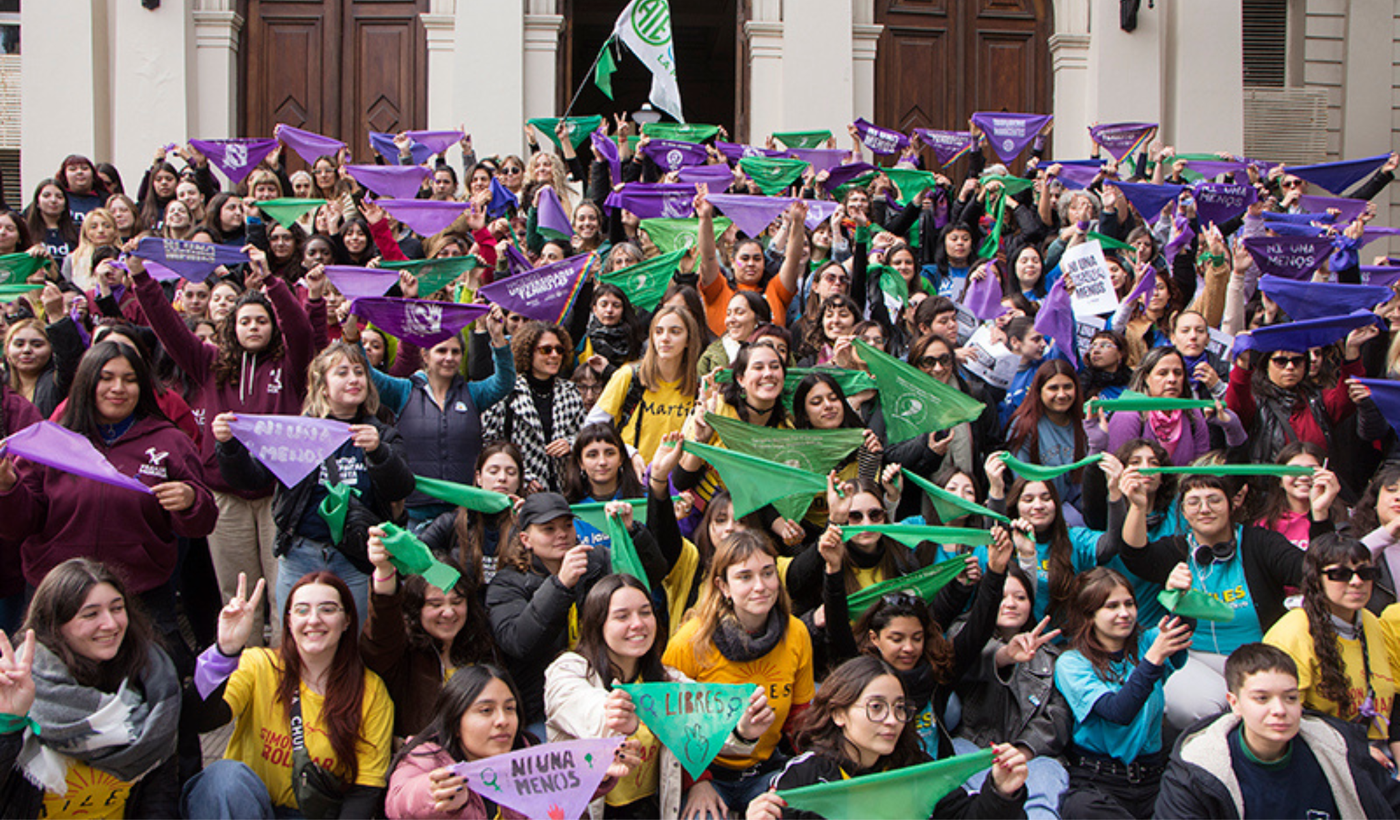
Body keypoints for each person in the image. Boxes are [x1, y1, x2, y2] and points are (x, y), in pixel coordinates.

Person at [132, 248, 321, 646]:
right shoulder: (211, 365)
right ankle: (243, 679)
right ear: (231, 327)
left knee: (282, 594)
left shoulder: (291, 366)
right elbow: (171, 330)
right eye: (245, 321)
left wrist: (272, 282)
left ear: (273, 326)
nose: (253, 327)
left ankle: (282, 677)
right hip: (225, 497)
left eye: (261, 321)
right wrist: (143, 281)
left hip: (278, 495)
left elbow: (302, 331)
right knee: (237, 597)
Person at [0, 342, 216, 632]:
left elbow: (202, 524)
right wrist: (7, 487)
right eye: (106, 378)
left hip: (141, 592)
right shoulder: (51, 441)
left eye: (130, 380)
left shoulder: (169, 441)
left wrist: (191, 500)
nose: (118, 388)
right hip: (57, 590)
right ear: (86, 381)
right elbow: (19, 524)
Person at [214, 341, 415, 620]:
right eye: (342, 372)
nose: (353, 379)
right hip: (300, 554)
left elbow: (402, 487)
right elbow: (251, 479)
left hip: (354, 558)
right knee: (297, 639)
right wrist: (228, 446)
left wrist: (379, 452)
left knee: (348, 641)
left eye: (359, 372)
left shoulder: (382, 433)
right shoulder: (297, 433)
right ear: (322, 387)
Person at [545, 575, 773, 819]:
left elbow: (708, 720)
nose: (638, 624)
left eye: (645, 612)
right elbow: (580, 705)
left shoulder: (667, 680)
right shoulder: (569, 669)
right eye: (622, 616)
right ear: (597, 624)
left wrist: (744, 728)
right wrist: (611, 714)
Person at [182, 571, 394, 819]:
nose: (314, 620)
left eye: (327, 609)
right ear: (289, 621)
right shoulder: (258, 664)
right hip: (244, 806)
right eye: (302, 610)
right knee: (223, 777)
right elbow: (199, 720)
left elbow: (365, 790)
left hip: (312, 813)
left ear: (347, 619)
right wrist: (225, 651)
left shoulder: (370, 691)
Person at [1117, 471, 1306, 730]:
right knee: (1194, 706)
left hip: (1258, 657)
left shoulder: (1260, 543)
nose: (1204, 509)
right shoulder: (1177, 549)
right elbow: (1135, 556)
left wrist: (1320, 516)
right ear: (1183, 512)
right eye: (1194, 502)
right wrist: (1138, 506)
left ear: (1232, 504)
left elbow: (1309, 571)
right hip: (1194, 656)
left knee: (1260, 708)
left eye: (1214, 500)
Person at [744, 655, 1031, 820]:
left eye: (899, 708)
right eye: (876, 707)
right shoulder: (804, 776)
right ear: (839, 714)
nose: (892, 720)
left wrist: (1002, 792)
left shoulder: (915, 769)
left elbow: (968, 817)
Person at [0, 558, 181, 819]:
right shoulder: (16, 685)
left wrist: (224, 655)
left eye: (117, 608)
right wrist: (8, 724)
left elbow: (158, 803)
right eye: (91, 614)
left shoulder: (153, 683)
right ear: (55, 625)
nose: (110, 624)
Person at [663, 529, 815, 816]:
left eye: (768, 573)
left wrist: (809, 768)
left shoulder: (796, 633)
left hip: (767, 771)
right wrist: (697, 781)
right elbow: (669, 724)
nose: (760, 586)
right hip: (708, 775)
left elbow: (800, 715)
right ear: (723, 586)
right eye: (745, 577)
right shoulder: (690, 641)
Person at [1155, 643, 1400, 819]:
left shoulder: (1338, 748)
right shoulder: (1197, 770)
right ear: (1234, 703)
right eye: (1262, 698)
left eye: (1290, 697)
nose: (1280, 710)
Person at [486, 494, 661, 738]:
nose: (562, 534)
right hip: (539, 707)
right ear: (526, 539)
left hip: (608, 691)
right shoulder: (506, 583)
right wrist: (560, 585)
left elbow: (647, 579)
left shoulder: (597, 561)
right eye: (548, 529)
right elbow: (519, 642)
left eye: (567, 525)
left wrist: (631, 533)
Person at [385, 664, 633, 819]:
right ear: (455, 720)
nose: (502, 721)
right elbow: (399, 801)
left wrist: (596, 772)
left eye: (510, 708)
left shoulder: (531, 755)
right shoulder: (426, 757)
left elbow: (562, 793)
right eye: (486, 710)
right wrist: (434, 794)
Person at [352, 303, 513, 527]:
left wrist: (497, 337)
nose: (449, 357)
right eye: (441, 351)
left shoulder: (473, 393)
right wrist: (352, 333)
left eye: (456, 352)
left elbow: (504, 382)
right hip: (414, 511)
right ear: (425, 356)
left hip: (463, 510)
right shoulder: (403, 391)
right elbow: (367, 373)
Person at [1054, 567, 1193, 819]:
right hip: (1098, 782)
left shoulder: (1148, 641)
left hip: (1153, 780)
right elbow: (1118, 712)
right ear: (1089, 614)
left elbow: (1182, 626)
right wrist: (1152, 660)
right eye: (1112, 606)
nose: (1124, 613)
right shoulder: (1071, 663)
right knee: (1080, 809)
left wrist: (1179, 594)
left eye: (1129, 603)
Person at [951, 565, 1071, 820]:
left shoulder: (1050, 657)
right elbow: (960, 662)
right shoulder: (962, 634)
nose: (1011, 604)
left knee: (1041, 806)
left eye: (1020, 597)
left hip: (1033, 756)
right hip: (973, 748)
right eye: (1002, 597)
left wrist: (1022, 751)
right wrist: (1005, 656)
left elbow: (1057, 716)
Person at [1263, 533, 1397, 753]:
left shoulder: (1370, 621)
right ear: (1316, 579)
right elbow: (1280, 718)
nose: (1356, 581)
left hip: (1376, 752)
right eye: (1340, 574)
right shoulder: (1293, 631)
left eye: (1366, 573)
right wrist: (1356, 751)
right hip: (1321, 754)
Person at [361, 528, 496, 739]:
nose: (449, 612)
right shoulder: (401, 654)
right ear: (416, 608)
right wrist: (383, 570)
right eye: (435, 604)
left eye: (457, 602)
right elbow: (383, 621)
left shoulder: (483, 647)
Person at [482, 320, 587, 493]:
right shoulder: (508, 392)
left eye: (559, 350)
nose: (554, 355)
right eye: (546, 350)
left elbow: (585, 436)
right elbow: (489, 443)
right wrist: (522, 476)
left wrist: (571, 443)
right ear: (528, 352)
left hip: (565, 490)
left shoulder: (571, 391)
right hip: (520, 491)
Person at [587, 305, 702, 462]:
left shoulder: (698, 386)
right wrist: (628, 452)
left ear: (688, 339)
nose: (665, 338)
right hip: (633, 477)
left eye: (675, 332)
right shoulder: (629, 375)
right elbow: (592, 426)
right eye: (659, 331)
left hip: (676, 480)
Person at [417, 442, 525, 586]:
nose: (502, 478)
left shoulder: (530, 522)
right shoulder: (452, 521)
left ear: (519, 482)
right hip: (463, 605)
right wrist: (450, 585)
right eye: (493, 471)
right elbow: (416, 558)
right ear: (479, 477)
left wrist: (527, 522)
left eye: (511, 473)